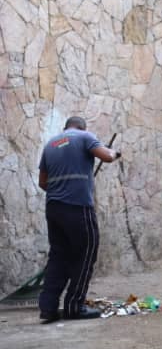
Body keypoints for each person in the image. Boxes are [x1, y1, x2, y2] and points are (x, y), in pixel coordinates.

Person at [37, 116, 121, 323]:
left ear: (66, 127)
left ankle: (47, 308)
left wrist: (61, 191)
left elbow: (43, 182)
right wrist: (115, 152)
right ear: (82, 127)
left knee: (58, 256)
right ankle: (74, 306)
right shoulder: (85, 136)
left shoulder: (50, 144)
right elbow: (107, 156)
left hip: (54, 208)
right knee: (86, 252)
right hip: (78, 208)